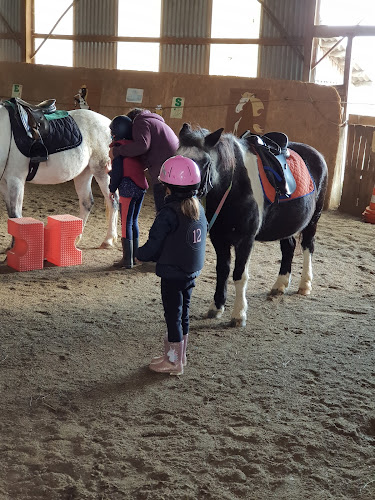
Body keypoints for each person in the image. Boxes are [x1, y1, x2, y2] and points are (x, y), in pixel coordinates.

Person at [136, 155, 207, 375]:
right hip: (190, 273)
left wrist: (138, 254)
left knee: (172, 316)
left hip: (172, 274)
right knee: (183, 314)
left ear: (168, 185)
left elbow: (154, 246)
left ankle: (174, 362)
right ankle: (177, 355)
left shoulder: (167, 214)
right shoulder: (197, 208)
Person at [110, 108, 179, 213]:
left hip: (163, 172)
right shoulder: (154, 122)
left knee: (162, 210)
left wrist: (117, 151)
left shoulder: (140, 122)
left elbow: (142, 146)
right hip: (174, 169)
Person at [109, 115, 148, 268]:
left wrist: (112, 188)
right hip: (141, 187)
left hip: (127, 187)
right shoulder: (133, 147)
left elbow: (118, 172)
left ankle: (127, 260)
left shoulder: (118, 149)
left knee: (125, 223)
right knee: (133, 221)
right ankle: (134, 256)